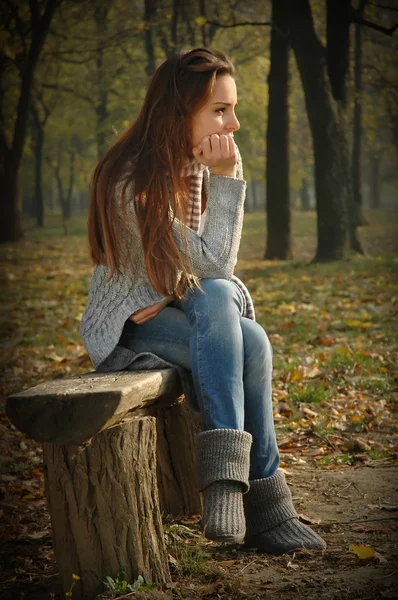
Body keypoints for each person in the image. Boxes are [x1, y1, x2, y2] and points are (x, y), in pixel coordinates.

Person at [80, 47, 326, 554]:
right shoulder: (128, 181)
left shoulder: (194, 169)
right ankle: (250, 498)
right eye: (220, 110)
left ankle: (236, 493)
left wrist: (184, 283)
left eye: (233, 109)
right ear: (178, 112)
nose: (233, 124)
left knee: (251, 339)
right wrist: (231, 182)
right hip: (132, 327)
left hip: (182, 310)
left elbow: (207, 275)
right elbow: (211, 267)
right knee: (240, 327)